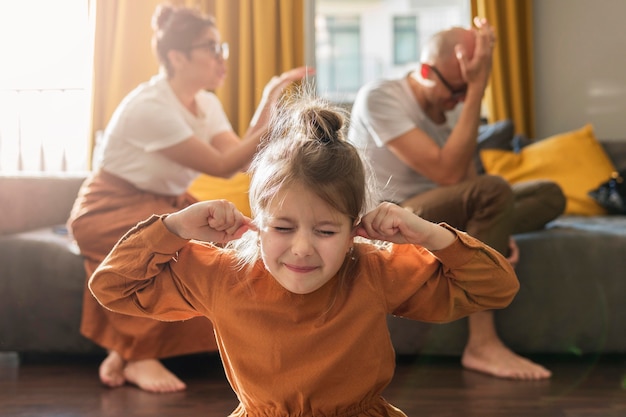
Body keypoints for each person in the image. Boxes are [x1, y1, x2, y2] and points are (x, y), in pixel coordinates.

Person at [87, 92, 519, 417]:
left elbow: (496, 288)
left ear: (354, 231)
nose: (302, 248)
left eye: (327, 230)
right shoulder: (222, 274)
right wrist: (175, 226)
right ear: (256, 223)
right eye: (283, 227)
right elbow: (114, 287)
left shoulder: (374, 268)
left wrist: (426, 234)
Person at [67, 3, 313, 393]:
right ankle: (138, 355)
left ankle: (125, 350)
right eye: (211, 48)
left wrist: (269, 99)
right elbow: (222, 164)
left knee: (223, 256)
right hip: (110, 205)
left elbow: (239, 158)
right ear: (177, 56)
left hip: (162, 201)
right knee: (171, 254)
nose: (221, 58)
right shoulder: (150, 106)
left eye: (222, 48)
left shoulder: (206, 103)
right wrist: (269, 102)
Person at [347, 17, 566, 380]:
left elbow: (467, 182)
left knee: (549, 194)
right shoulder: (381, 96)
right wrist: (478, 89)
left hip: (442, 208)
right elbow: (447, 173)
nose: (461, 100)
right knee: (495, 192)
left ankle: (481, 234)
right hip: (394, 215)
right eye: (457, 89)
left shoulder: (449, 111)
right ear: (424, 70)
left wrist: (495, 222)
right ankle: (482, 344)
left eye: (468, 92)